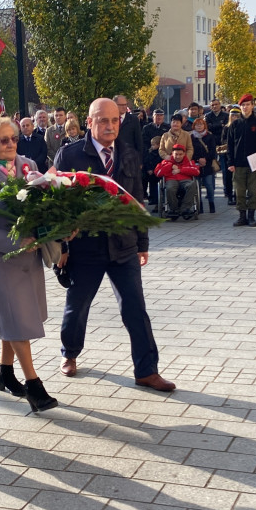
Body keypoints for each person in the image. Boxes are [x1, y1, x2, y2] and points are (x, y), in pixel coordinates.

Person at [54, 98, 175, 392]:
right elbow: (55, 203)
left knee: (135, 309)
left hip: (124, 246)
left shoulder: (129, 154)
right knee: (77, 306)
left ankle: (146, 370)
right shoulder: (69, 156)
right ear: (89, 122)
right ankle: (69, 354)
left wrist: (143, 241)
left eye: (115, 120)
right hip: (86, 248)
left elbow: (137, 200)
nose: (110, 126)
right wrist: (61, 247)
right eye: (103, 121)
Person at [0, 116, 58, 412]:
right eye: (3, 140)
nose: (10, 144)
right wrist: (16, 242)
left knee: (15, 317)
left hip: (28, 256)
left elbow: (45, 201)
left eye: (13, 138)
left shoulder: (28, 165)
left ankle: (4, 371)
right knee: (16, 321)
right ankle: (34, 385)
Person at [227, 94, 256, 227]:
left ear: (252, 105)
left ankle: (251, 217)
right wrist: (230, 162)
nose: (245, 107)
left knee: (253, 191)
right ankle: (241, 216)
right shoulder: (235, 124)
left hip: (254, 163)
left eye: (248, 104)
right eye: (243, 105)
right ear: (240, 107)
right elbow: (230, 145)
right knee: (239, 191)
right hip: (238, 164)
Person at [154, 143, 199, 221]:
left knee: (192, 184)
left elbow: (196, 171)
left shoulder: (189, 162)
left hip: (185, 180)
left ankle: (185, 209)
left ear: (184, 154)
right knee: (170, 188)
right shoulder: (166, 162)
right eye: (176, 154)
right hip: (171, 180)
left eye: (180, 154)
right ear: (172, 154)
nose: (178, 156)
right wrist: (170, 166)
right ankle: (174, 209)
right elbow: (158, 173)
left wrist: (180, 170)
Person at [190, 117, 218, 213]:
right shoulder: (191, 137)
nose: (199, 126)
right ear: (194, 126)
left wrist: (205, 159)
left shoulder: (210, 136)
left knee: (209, 185)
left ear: (204, 126)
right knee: (197, 187)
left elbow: (212, 151)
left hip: (208, 165)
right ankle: (199, 205)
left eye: (201, 124)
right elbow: (190, 151)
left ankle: (211, 203)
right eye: (197, 125)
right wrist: (198, 159)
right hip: (196, 165)